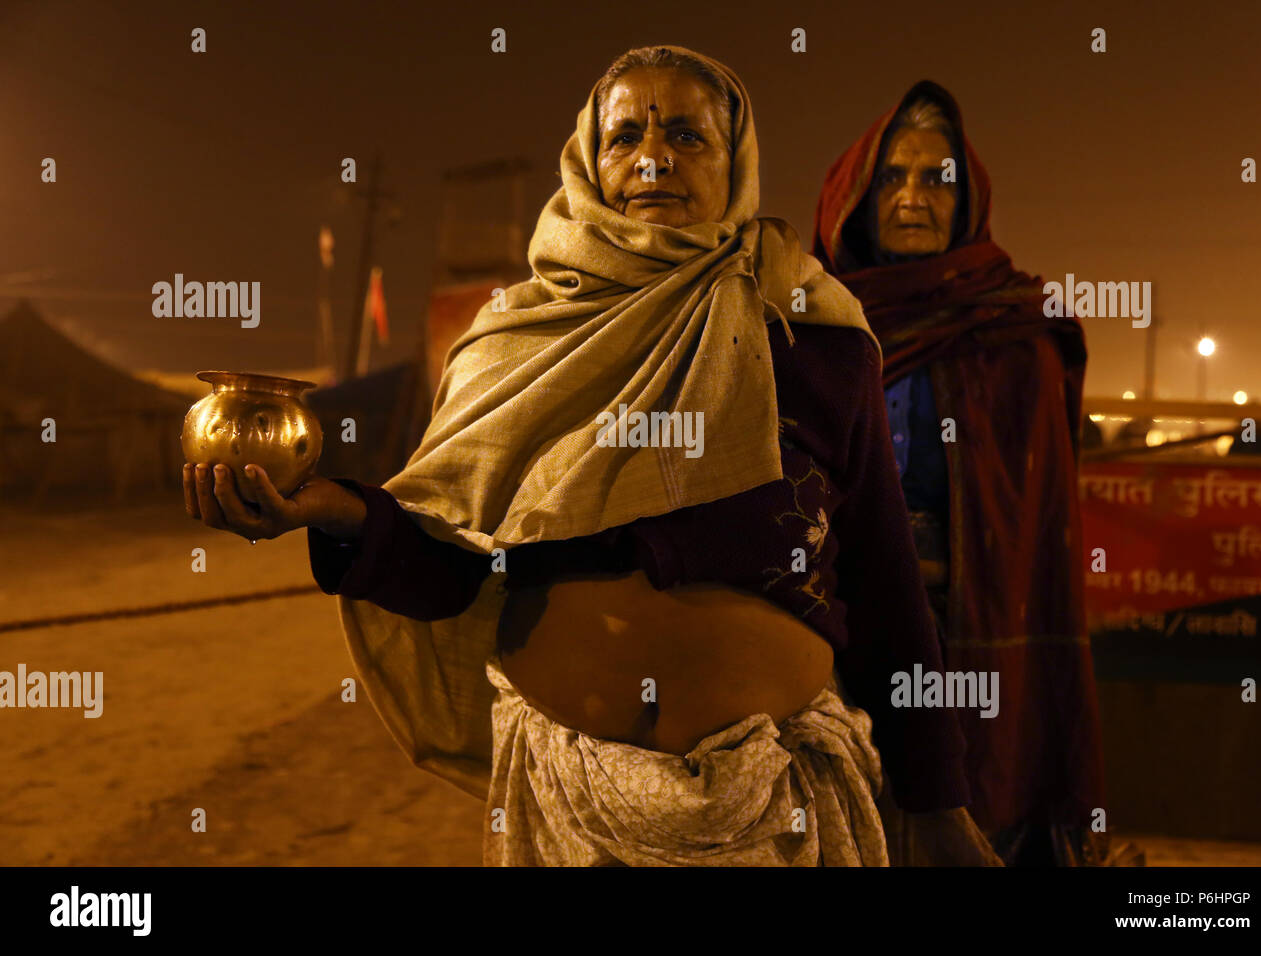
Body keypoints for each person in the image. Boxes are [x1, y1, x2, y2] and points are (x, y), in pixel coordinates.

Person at [183, 48, 999, 867]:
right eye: (624, 138)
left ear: (735, 160)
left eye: (687, 134)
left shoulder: (813, 337)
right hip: (569, 805)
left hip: (779, 803)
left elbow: (884, 583)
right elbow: (456, 567)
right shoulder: (514, 343)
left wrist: (937, 800)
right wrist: (340, 514)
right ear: (588, 160)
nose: (652, 158)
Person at [812, 81, 1143, 866]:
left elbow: (1035, 528)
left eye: (938, 177)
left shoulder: (1015, 332)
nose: (916, 196)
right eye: (893, 176)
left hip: (972, 629)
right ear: (857, 195)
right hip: (827, 628)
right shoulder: (814, 326)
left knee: (962, 817)